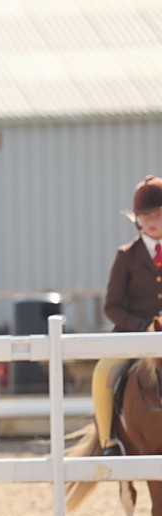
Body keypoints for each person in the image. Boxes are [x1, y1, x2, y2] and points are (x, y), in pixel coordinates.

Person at [94, 175, 162, 456]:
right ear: (137, 219)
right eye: (145, 216)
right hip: (135, 336)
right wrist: (143, 326)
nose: (151, 221)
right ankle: (109, 439)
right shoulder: (126, 257)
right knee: (103, 374)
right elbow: (111, 307)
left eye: (157, 214)